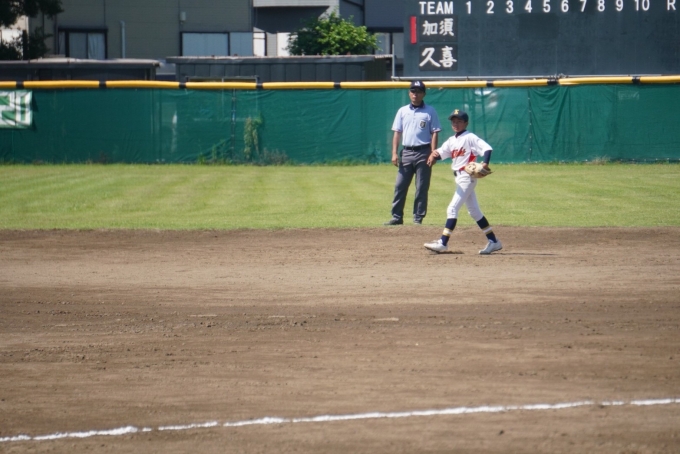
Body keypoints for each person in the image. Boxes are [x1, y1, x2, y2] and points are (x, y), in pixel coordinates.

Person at [423, 109, 503, 255]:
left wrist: (485, 163)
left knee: (452, 209)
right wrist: (433, 155)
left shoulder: (470, 137)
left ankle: (443, 243)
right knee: (474, 212)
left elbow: (487, 148)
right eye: (454, 121)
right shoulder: (452, 140)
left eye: (459, 121)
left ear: (466, 123)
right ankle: (494, 241)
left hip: (467, 177)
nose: (456, 124)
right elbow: (441, 153)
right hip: (459, 178)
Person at [384, 80, 442, 226]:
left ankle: (418, 218)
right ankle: (397, 217)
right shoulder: (402, 111)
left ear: (424, 94)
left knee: (421, 187)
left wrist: (433, 153)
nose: (415, 94)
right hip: (407, 152)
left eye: (419, 91)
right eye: (413, 91)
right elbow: (397, 133)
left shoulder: (430, 111)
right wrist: (394, 153)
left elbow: (435, 132)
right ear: (409, 93)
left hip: (424, 152)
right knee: (400, 186)